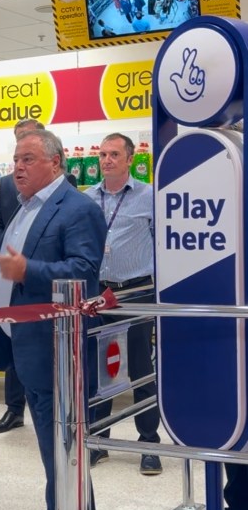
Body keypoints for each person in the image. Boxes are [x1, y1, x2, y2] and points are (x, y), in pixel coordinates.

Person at [0, 129, 106, 510]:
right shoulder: (26, 207)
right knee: (56, 451)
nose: (17, 167)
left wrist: (27, 270)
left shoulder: (78, 209)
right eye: (15, 159)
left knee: (60, 451)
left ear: (55, 164)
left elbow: (84, 272)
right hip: (29, 344)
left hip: (58, 350)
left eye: (27, 159)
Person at [84, 133, 161, 475]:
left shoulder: (149, 196)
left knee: (142, 367)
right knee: (102, 369)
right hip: (100, 293)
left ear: (131, 159)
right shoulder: (87, 199)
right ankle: (100, 442)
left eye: (114, 154)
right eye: (102, 154)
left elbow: (163, 243)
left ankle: (149, 443)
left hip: (137, 291)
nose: (107, 160)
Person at [0, 119, 47, 434]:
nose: (21, 159)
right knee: (12, 343)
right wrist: (6, 245)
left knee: (35, 348)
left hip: (37, 279)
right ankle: (13, 409)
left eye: (29, 142)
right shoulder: (7, 183)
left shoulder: (62, 183)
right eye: (18, 142)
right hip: (8, 274)